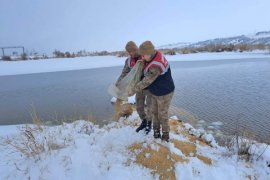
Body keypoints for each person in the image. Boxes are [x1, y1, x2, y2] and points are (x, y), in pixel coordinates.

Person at [129, 41, 175, 142]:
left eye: (143, 55)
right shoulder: (151, 55)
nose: (142, 57)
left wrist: (132, 90)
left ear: (149, 53)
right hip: (155, 90)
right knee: (154, 113)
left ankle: (165, 136)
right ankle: (156, 133)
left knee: (162, 114)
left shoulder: (156, 65)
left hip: (165, 91)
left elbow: (146, 81)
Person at [116, 41, 152, 134]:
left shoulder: (145, 56)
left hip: (149, 86)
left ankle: (149, 124)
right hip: (138, 86)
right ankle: (144, 122)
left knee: (149, 106)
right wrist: (118, 83)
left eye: (134, 50)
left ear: (137, 48)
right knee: (139, 107)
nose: (132, 53)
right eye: (130, 52)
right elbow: (124, 73)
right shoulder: (128, 61)